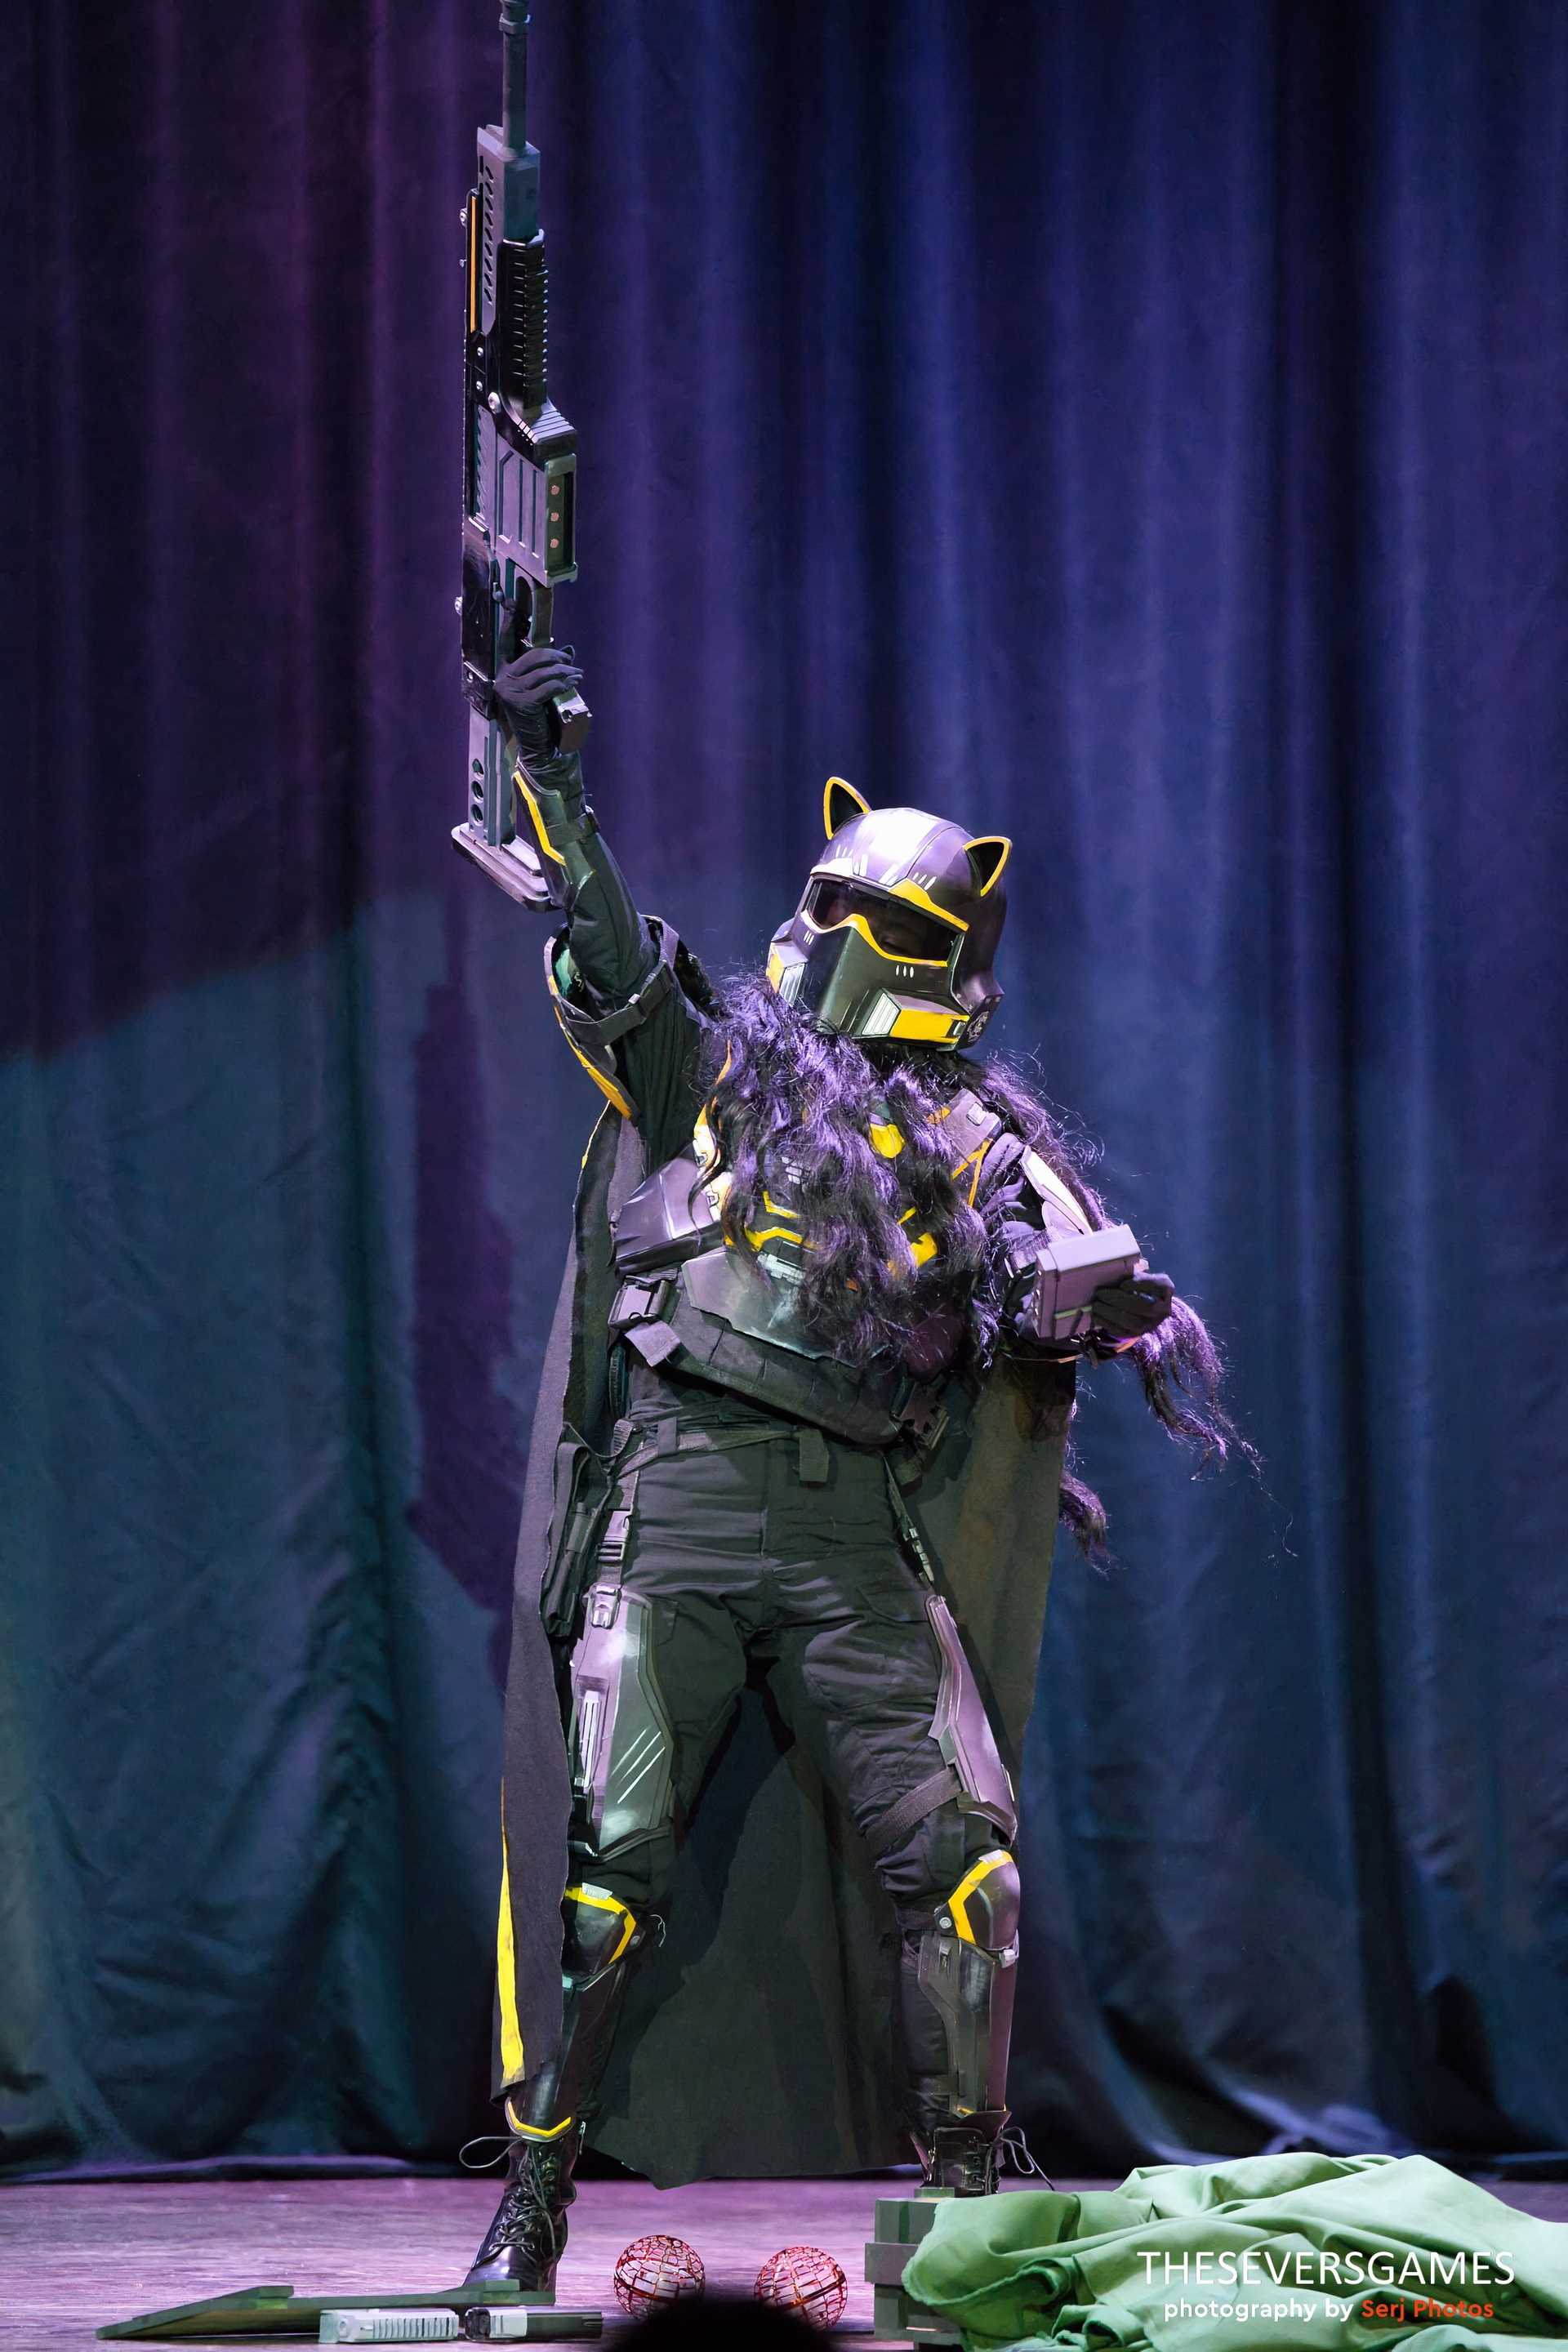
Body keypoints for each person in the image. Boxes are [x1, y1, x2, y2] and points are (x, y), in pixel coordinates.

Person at [463, 647, 1243, 2293]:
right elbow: (611, 963)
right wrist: (557, 790)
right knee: (609, 1872)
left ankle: (961, 2228)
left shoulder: (978, 1142)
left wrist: (1095, 1310)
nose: (832, 936)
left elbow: (1072, 1277)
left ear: (947, 955)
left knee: (969, 1878)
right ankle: (529, 2209)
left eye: (872, 915)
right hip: (679, 1505)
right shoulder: (718, 1073)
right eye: (830, 901)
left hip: (850, 1533)